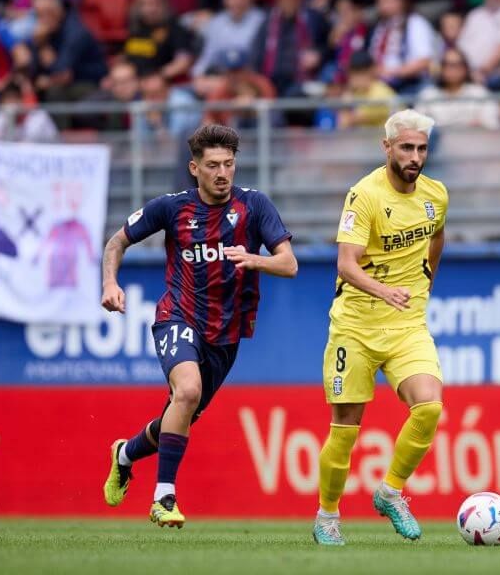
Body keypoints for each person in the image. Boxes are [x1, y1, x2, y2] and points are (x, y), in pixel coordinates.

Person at [100, 123, 298, 528]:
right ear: (194, 168)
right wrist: (109, 283)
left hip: (225, 335)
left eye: (229, 164)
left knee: (181, 412)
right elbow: (116, 241)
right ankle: (164, 497)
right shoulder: (172, 208)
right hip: (178, 315)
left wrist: (254, 259)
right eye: (213, 165)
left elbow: (289, 263)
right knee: (187, 390)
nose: (222, 172)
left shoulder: (254, 206)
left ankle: (124, 454)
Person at [313, 109, 448, 546]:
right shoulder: (364, 196)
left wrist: (426, 277)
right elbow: (346, 264)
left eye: (421, 148)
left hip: (407, 325)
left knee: (428, 406)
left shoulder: (436, 194)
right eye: (406, 147)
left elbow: (438, 234)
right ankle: (328, 516)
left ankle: (390, 493)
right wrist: (384, 290)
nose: (415, 156)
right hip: (355, 326)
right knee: (345, 428)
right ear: (386, 147)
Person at [367, 0, 436, 94]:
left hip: (411, 84)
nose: (382, 4)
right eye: (379, 0)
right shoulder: (379, 27)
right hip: (381, 84)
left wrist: (393, 72)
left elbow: (424, 61)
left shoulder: (416, 23)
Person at [191, 0, 266, 76]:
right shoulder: (216, 23)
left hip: (249, 79)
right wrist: (198, 76)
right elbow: (207, 59)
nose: (237, 2)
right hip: (217, 77)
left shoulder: (262, 22)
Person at [123, 0, 196, 80]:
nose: (150, 9)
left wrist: (157, 77)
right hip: (133, 84)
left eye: (155, 2)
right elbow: (127, 58)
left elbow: (183, 62)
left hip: (164, 87)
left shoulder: (176, 29)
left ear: (165, 2)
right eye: (144, 3)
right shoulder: (136, 27)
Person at [416, 48, 500, 129]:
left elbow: (493, 124)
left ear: (465, 68)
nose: (452, 69)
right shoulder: (428, 96)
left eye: (457, 64)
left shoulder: (480, 94)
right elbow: (418, 128)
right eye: (447, 64)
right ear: (441, 68)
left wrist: (480, 126)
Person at [338, 50, 399, 129]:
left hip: (390, 139)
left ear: (371, 70)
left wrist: (346, 100)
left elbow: (345, 123)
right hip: (375, 138)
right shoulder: (359, 91)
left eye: (360, 72)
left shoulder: (380, 93)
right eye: (353, 72)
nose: (355, 78)